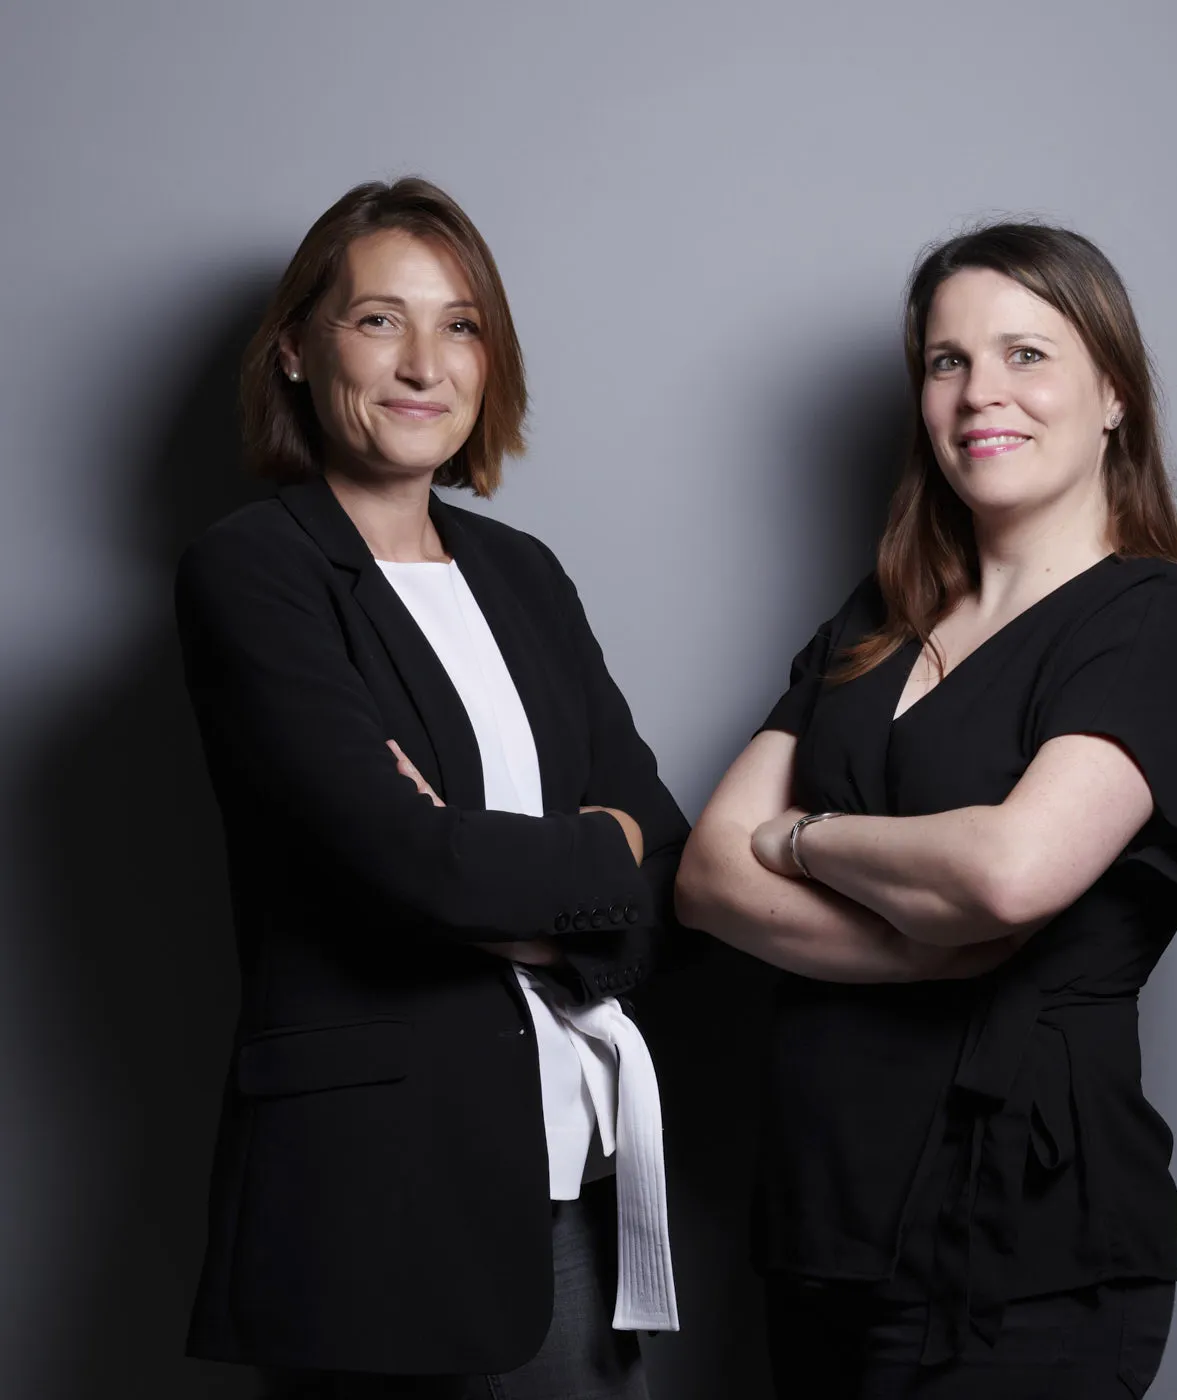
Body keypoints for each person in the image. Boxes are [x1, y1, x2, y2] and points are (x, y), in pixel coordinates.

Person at [676, 222, 1177, 1398]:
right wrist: (914, 948)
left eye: (1024, 353)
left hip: (1020, 1244)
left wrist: (799, 838)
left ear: (1113, 394)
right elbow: (702, 876)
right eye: (947, 360)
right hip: (819, 1220)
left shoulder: (1160, 623)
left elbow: (1006, 873)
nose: (980, 390)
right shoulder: (876, 618)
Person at [175, 177, 687, 1399]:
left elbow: (663, 850)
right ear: (296, 349)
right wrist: (580, 853)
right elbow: (409, 864)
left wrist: (492, 865)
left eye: (460, 325)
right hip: (376, 1198)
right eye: (377, 320)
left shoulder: (523, 574)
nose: (423, 363)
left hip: (570, 1176)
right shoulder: (253, 571)